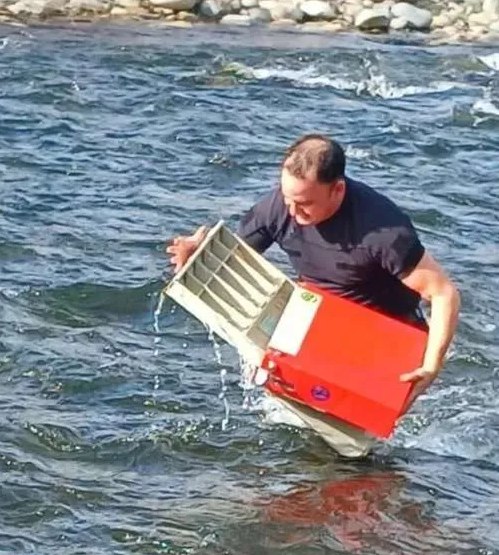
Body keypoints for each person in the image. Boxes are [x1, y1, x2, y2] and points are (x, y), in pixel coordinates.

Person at [166, 133, 461, 419]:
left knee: (363, 438)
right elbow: (235, 257)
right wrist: (198, 252)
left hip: (385, 329)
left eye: (305, 204)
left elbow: (444, 293)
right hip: (322, 315)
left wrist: (431, 366)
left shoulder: (384, 231)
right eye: (287, 199)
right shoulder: (279, 207)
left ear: (338, 190)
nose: (292, 213)